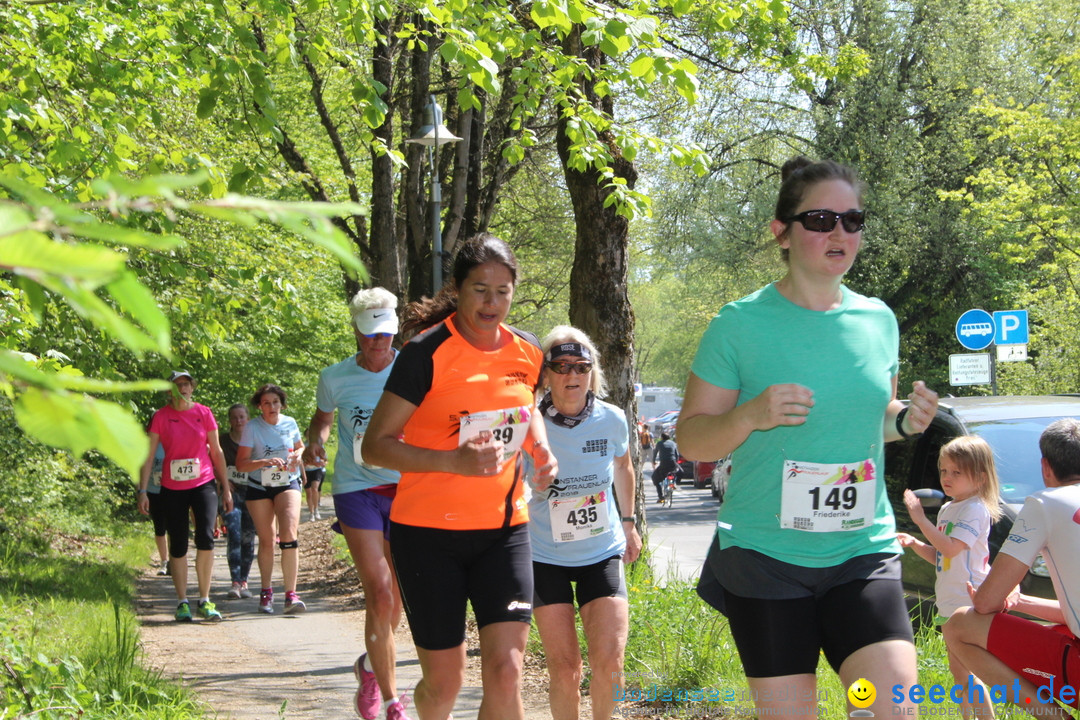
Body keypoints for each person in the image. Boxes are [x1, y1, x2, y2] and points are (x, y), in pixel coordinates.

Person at [677, 156, 939, 717]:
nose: (839, 232)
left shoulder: (878, 321)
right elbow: (693, 441)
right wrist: (750, 415)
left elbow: (870, 418)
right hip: (767, 559)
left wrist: (904, 422)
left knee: (888, 707)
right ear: (783, 232)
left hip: (859, 551)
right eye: (821, 219)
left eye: (852, 220)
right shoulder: (739, 324)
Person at [362, 233, 558, 720]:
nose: (492, 303)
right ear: (459, 287)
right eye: (480, 290)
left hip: (504, 532)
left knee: (507, 673)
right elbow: (375, 446)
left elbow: (526, 406)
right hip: (428, 536)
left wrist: (542, 448)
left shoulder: (528, 350)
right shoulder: (425, 353)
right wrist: (452, 461)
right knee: (445, 686)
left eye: (503, 291)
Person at [303, 286, 410, 720]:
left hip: (405, 489)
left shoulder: (413, 370)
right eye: (369, 334)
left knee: (397, 599)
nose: (378, 342)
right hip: (355, 489)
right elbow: (323, 420)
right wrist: (315, 444)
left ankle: (368, 666)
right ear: (355, 332)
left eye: (385, 333)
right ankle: (391, 701)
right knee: (379, 593)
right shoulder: (334, 378)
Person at [528, 326, 642, 720]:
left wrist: (628, 522)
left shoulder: (611, 419)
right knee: (565, 668)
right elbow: (502, 481)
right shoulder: (530, 424)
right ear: (545, 374)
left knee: (610, 661)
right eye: (560, 366)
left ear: (592, 372)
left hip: (602, 550)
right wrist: (532, 483)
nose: (571, 375)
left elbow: (624, 466)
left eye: (581, 366)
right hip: (544, 555)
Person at [944, 418, 1080, 718]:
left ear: (1045, 467)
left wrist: (992, 597)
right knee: (1054, 631)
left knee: (960, 625)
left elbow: (985, 602)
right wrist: (1023, 601)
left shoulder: (1045, 502)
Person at [897, 436, 1001, 717]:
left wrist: (920, 520)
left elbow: (952, 548)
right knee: (959, 672)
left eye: (957, 472)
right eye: (944, 470)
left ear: (980, 478)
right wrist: (916, 544)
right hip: (950, 602)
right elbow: (942, 556)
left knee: (970, 673)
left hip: (968, 601)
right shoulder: (949, 508)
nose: (947, 477)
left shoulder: (974, 509)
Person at [137, 370, 232, 622]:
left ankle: (205, 599)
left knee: (205, 538)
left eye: (186, 384)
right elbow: (148, 456)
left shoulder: (204, 413)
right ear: (169, 390)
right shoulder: (160, 417)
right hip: (172, 487)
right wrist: (143, 490)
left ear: (192, 388)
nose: (182, 388)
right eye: (177, 385)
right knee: (178, 543)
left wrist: (226, 486)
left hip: (203, 483)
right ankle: (182, 602)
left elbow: (217, 451)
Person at [235, 383, 306, 615]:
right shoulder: (252, 428)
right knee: (267, 539)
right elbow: (241, 464)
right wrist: (265, 462)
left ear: (281, 404)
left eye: (275, 402)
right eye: (267, 403)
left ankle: (291, 594)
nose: (272, 406)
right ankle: (266, 591)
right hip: (259, 485)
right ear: (259, 406)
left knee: (289, 533)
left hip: (288, 482)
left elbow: (300, 446)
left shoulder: (290, 423)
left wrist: (298, 454)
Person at [219, 403, 256, 600]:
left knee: (248, 537)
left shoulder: (254, 438)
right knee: (234, 533)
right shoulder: (222, 440)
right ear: (230, 421)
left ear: (247, 418)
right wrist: (222, 481)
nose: (238, 421)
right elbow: (212, 461)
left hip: (252, 492)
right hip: (231, 493)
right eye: (234, 417)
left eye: (242, 417)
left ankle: (244, 581)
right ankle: (235, 581)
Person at [144, 440, 169, 575]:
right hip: (154, 491)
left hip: (174, 490)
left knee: (175, 526)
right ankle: (164, 561)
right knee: (159, 527)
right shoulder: (148, 444)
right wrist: (141, 492)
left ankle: (174, 559)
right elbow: (141, 467)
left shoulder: (174, 439)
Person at [651, 432, 677, 504]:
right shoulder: (673, 443)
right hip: (673, 463)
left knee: (655, 478)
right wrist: (676, 462)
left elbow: (655, 453)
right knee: (674, 472)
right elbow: (676, 454)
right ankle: (672, 484)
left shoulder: (659, 443)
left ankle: (661, 497)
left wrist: (653, 461)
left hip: (664, 464)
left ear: (662, 438)